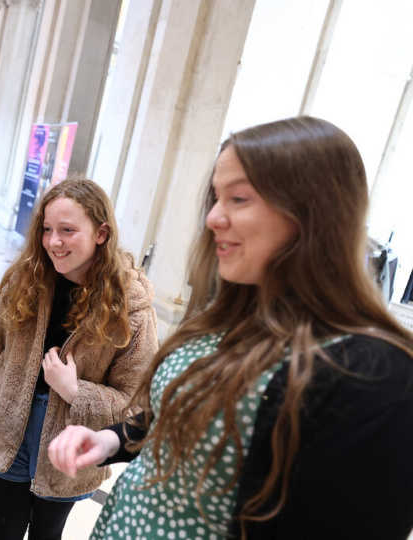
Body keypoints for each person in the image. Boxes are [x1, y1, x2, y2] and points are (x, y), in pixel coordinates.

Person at [48, 116, 413, 539]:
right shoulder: (233, 313)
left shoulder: (377, 375)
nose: (213, 218)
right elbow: (187, 414)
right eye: (216, 199)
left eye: (239, 198)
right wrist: (112, 442)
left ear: (314, 211)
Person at [0, 178, 160, 539]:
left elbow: (138, 405)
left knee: (46, 533)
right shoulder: (27, 279)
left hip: (70, 439)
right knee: (2, 530)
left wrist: (76, 391)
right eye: (48, 229)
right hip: (8, 425)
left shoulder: (129, 307)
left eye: (68, 230)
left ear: (101, 233)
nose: (54, 241)